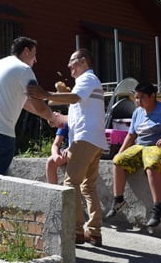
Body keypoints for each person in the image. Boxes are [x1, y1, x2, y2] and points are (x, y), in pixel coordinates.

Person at [28, 48, 107, 244]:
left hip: (85, 139)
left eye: (72, 61)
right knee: (88, 187)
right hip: (94, 140)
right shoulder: (87, 83)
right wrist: (56, 118)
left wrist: (46, 94)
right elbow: (75, 114)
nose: (69, 66)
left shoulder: (87, 79)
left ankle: (76, 231)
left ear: (83, 61)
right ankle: (94, 232)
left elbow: (74, 98)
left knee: (71, 184)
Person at [0, 36, 58, 175]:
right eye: (34, 55)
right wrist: (53, 117)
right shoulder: (24, 70)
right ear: (26, 51)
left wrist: (47, 116)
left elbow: (24, 103)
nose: (35, 60)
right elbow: (38, 104)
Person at [104, 82, 161, 229]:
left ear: (152, 96)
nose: (138, 101)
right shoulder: (137, 112)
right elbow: (131, 135)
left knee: (152, 165)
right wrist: (121, 152)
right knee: (118, 161)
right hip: (141, 145)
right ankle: (118, 200)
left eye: (141, 97)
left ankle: (159, 208)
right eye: (136, 97)